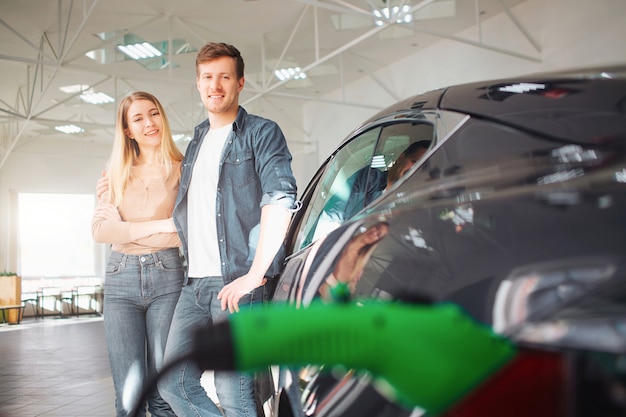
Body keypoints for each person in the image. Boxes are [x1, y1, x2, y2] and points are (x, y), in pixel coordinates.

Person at [157, 42, 300, 417]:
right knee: (174, 382)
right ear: (198, 83)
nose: (214, 85)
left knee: (233, 391)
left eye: (224, 76)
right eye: (207, 77)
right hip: (195, 284)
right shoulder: (196, 140)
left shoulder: (261, 133)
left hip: (238, 281)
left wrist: (254, 275)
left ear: (240, 83)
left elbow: (281, 197)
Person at [91, 91, 185, 416]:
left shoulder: (184, 168)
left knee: (165, 393)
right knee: (128, 398)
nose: (149, 123)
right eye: (138, 118)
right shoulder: (115, 172)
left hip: (168, 277)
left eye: (154, 113)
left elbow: (186, 229)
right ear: (128, 130)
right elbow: (100, 231)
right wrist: (161, 225)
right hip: (120, 280)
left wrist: (127, 227)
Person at [326, 140, 431, 224]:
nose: (416, 171)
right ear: (401, 158)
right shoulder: (369, 179)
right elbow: (331, 218)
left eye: (423, 169)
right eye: (415, 162)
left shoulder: (410, 202)